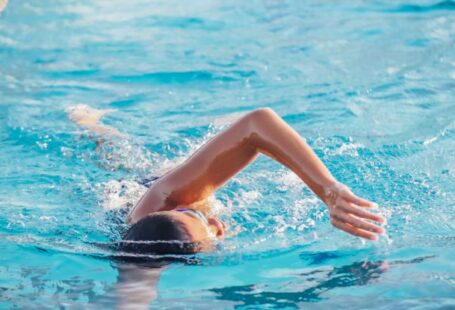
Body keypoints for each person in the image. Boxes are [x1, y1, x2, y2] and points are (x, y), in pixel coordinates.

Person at [68, 105, 386, 257]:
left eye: (197, 215)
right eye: (212, 233)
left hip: (143, 185)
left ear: (174, 207)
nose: (219, 225)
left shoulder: (169, 194)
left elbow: (258, 122)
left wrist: (329, 190)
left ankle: (88, 123)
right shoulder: (149, 246)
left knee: (116, 157)